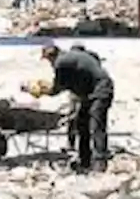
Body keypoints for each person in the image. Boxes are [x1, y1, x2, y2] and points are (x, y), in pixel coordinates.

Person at [38, 43, 114, 173]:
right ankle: (85, 160)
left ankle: (100, 162)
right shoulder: (71, 57)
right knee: (81, 123)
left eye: (48, 60)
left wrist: (40, 91)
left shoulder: (61, 63)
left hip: (100, 90)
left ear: (52, 56)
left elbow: (57, 88)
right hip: (90, 91)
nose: (49, 63)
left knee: (96, 124)